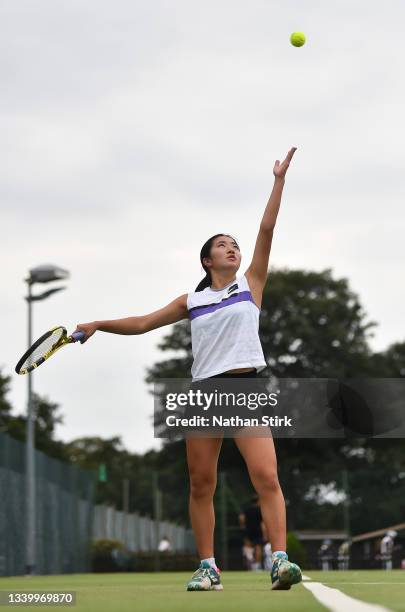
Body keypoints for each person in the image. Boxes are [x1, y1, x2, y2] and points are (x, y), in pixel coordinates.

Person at [74, 147, 302, 592]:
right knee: (201, 483)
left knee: (268, 477)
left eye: (234, 244)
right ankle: (208, 567)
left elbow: (267, 228)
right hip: (204, 393)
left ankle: (279, 561)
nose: (232, 248)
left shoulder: (251, 285)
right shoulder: (191, 301)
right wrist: (99, 324)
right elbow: (142, 324)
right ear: (207, 261)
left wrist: (278, 182)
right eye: (222, 245)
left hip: (247, 390)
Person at [239, 494, 265, 570]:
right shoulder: (260, 510)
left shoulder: (247, 509)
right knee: (258, 548)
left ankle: (249, 563)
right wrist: (265, 534)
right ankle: (256, 566)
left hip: (248, 530)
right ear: (258, 501)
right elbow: (262, 523)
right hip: (258, 530)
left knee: (248, 547)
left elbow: (241, 518)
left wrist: (243, 526)